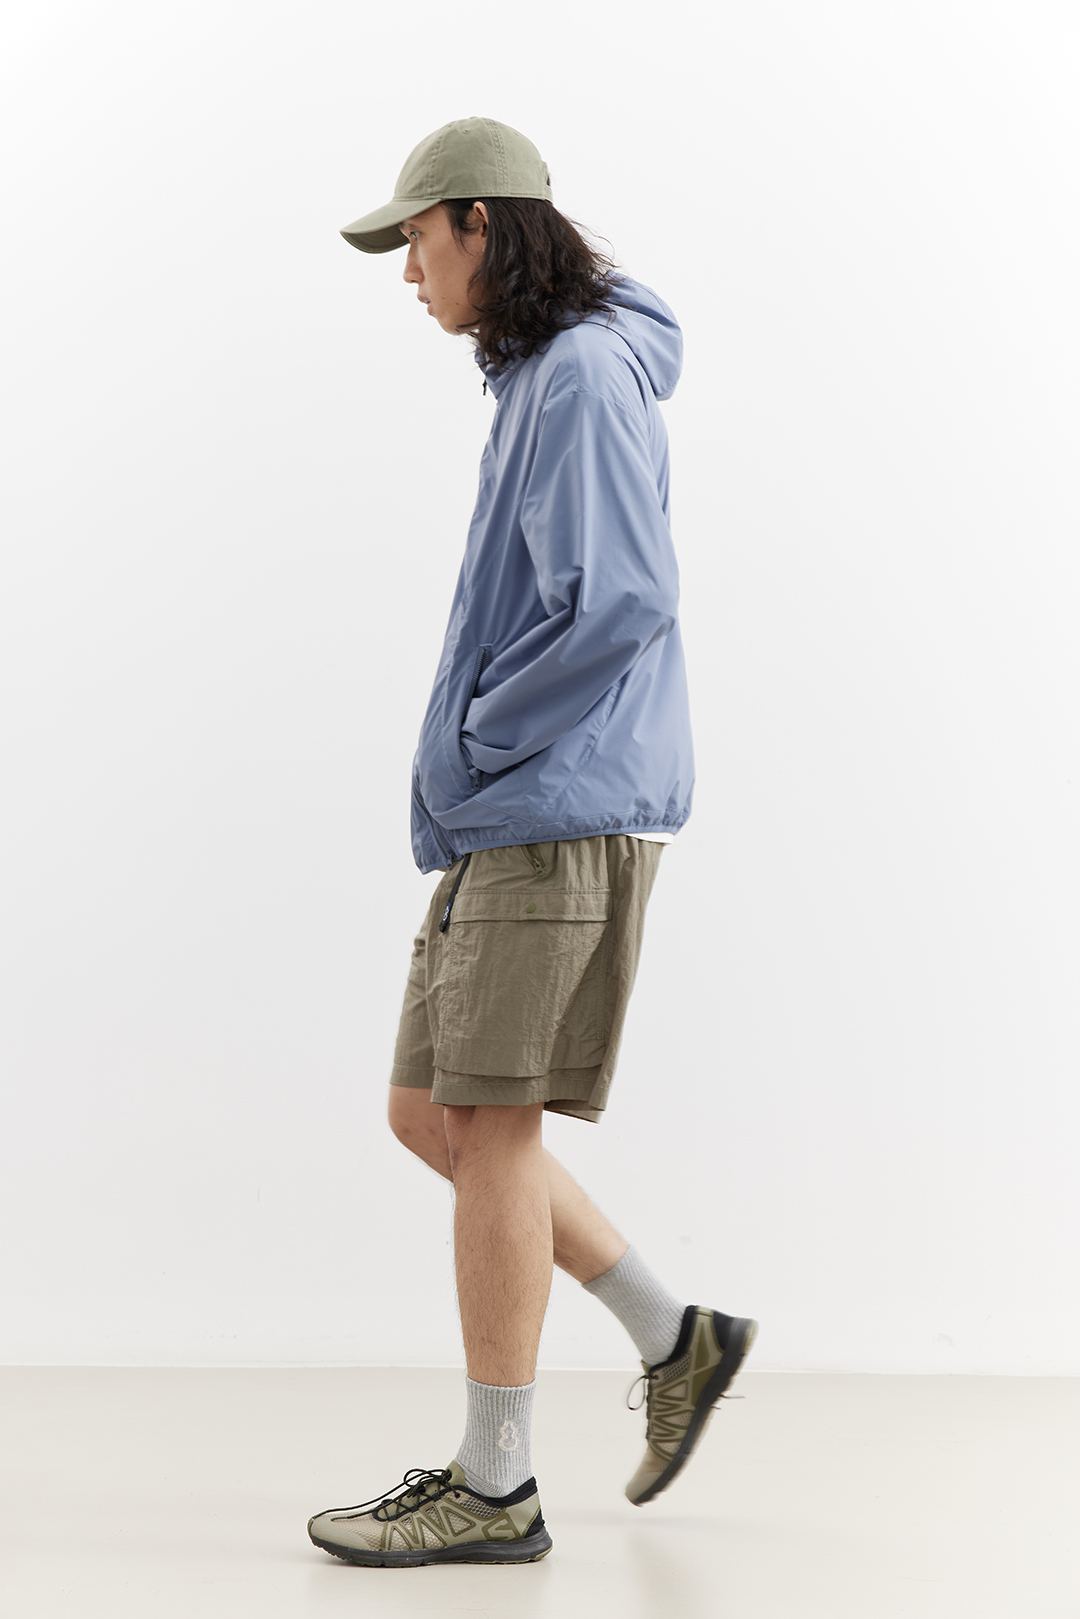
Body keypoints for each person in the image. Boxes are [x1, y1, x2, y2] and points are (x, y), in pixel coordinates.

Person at [307, 117, 756, 1569]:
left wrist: (486, 735)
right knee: (429, 1112)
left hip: (552, 811)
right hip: (521, 811)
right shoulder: (547, 376)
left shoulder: (577, 379)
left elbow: (622, 598)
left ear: (482, 225)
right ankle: (673, 1335)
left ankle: (494, 1484)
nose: (408, 273)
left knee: (492, 1125)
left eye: (415, 240)